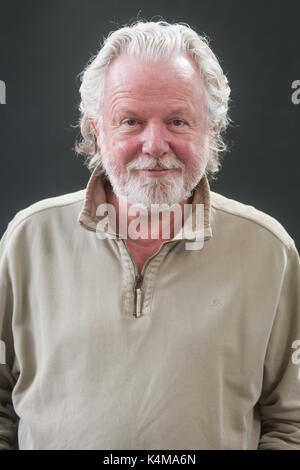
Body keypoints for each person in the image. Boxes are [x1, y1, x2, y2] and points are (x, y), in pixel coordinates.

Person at [0, 21, 299, 451]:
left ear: (210, 130)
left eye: (178, 121)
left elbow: (291, 422)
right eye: (131, 121)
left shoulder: (270, 251)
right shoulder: (29, 240)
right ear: (97, 130)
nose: (155, 144)